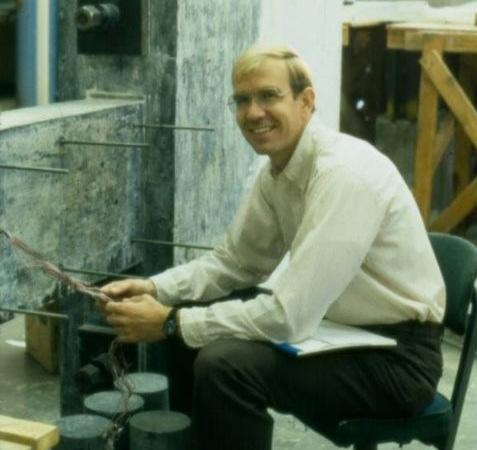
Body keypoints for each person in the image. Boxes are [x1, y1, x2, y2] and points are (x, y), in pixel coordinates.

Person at [100, 45, 445, 450]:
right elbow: (234, 262)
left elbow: (289, 316)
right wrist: (156, 289)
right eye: (242, 100)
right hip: (339, 330)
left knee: (224, 366)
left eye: (268, 96)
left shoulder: (344, 174)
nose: (253, 113)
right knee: (192, 328)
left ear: (306, 101)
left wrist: (172, 322)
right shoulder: (279, 171)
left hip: (399, 361)